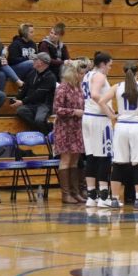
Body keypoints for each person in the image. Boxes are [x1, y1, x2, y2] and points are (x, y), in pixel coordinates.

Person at [98, 61, 138, 212]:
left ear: (123, 71)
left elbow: (101, 101)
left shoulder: (117, 86)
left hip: (121, 126)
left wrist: (112, 116)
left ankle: (114, 199)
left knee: (119, 163)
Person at [81, 51, 115, 210]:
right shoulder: (99, 76)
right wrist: (108, 111)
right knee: (104, 157)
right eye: (109, 65)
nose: (110, 68)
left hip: (87, 117)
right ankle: (103, 196)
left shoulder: (87, 75)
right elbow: (95, 95)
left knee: (91, 156)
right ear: (102, 64)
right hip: (99, 119)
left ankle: (91, 196)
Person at [53, 60, 86, 204]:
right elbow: (57, 109)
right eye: (81, 74)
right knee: (66, 160)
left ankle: (75, 192)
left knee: (75, 161)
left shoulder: (78, 88)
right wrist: (74, 112)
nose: (83, 76)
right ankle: (66, 194)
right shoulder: (63, 88)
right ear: (74, 73)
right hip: (65, 128)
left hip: (77, 128)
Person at [11, 52, 56, 134]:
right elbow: (25, 88)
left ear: (41, 63)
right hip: (32, 104)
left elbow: (38, 94)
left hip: (45, 105)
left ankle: (47, 135)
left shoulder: (50, 77)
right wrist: (17, 98)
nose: (33, 61)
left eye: (35, 60)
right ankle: (41, 130)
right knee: (21, 111)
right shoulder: (32, 73)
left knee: (39, 120)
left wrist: (22, 101)